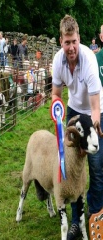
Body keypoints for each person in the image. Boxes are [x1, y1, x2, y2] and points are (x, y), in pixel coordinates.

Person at [51, 15, 103, 240]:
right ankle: (75, 222)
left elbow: (94, 107)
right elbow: (56, 94)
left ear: (79, 39)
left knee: (96, 164)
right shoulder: (57, 61)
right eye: (66, 42)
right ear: (60, 40)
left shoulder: (90, 61)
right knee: (69, 167)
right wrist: (56, 106)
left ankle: (95, 215)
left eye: (74, 42)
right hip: (72, 112)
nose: (71, 47)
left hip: (94, 112)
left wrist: (88, 138)